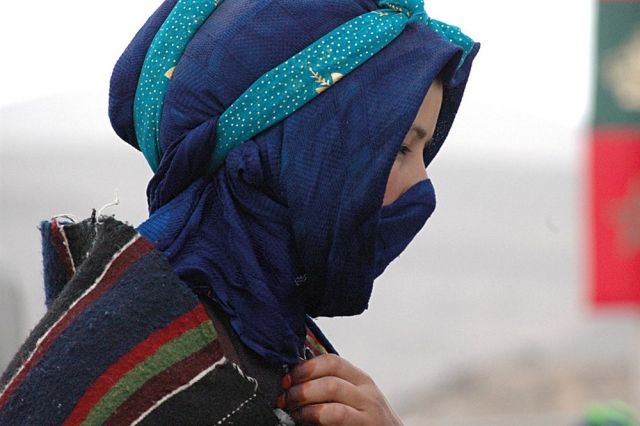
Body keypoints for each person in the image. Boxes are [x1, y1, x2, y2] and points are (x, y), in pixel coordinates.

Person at [0, 0, 479, 424]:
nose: (423, 185)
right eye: (400, 148)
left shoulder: (271, 338)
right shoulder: (139, 366)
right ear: (296, 150)